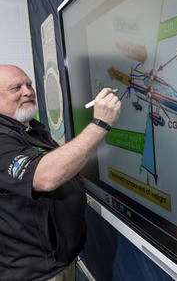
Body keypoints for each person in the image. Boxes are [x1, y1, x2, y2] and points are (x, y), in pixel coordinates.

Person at [0, 64, 121, 281]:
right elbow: (44, 177)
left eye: (28, 84)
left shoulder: (32, 129)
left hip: (60, 260)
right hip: (36, 273)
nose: (27, 91)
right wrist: (100, 123)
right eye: (15, 88)